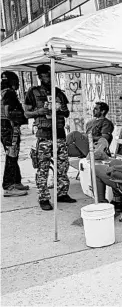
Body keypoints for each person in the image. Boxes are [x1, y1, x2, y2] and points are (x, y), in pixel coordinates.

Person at [24, 64, 76, 210]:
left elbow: (66, 113)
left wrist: (61, 108)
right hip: (44, 134)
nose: (49, 78)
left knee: (62, 166)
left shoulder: (58, 92)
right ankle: (44, 197)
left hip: (59, 134)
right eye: (46, 75)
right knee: (43, 168)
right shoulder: (32, 92)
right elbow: (26, 114)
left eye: (50, 75)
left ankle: (62, 193)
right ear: (40, 77)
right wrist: (40, 111)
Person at [1, 71, 29, 196]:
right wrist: (13, 121)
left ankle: (16, 181)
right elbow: (7, 110)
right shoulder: (9, 93)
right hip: (9, 126)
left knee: (14, 154)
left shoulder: (2, 92)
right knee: (11, 155)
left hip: (4, 126)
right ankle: (9, 186)